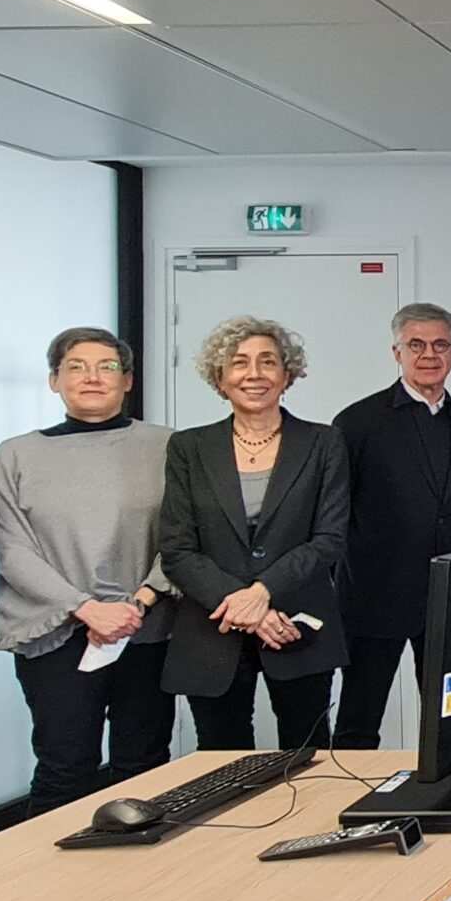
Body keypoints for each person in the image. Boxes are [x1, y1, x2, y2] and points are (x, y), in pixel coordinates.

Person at [0, 327, 177, 815]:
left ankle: (149, 885)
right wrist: (85, 608)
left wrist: (137, 603)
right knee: (64, 766)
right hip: (56, 634)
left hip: (145, 629)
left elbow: (184, 537)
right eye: (76, 367)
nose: (92, 377)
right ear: (54, 380)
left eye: (107, 367)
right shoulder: (16, 455)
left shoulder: (169, 447)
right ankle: (57, 888)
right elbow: (13, 549)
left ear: (127, 380)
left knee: (146, 765)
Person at [158, 316, 350, 752]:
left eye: (268, 362)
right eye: (239, 363)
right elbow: (177, 548)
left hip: (299, 625)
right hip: (213, 627)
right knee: (219, 763)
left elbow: (329, 539)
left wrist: (263, 591)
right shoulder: (189, 448)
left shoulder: (323, 443)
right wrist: (249, 607)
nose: (254, 373)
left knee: (311, 758)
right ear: (220, 378)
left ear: (287, 375)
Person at [330, 304, 451, 749]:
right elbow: (333, 516)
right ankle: (347, 812)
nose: (429, 355)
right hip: (372, 595)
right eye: (416, 345)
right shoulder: (356, 423)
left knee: (450, 723)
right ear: (397, 352)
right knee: (359, 721)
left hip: (446, 599)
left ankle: (445, 803)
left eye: (440, 345)